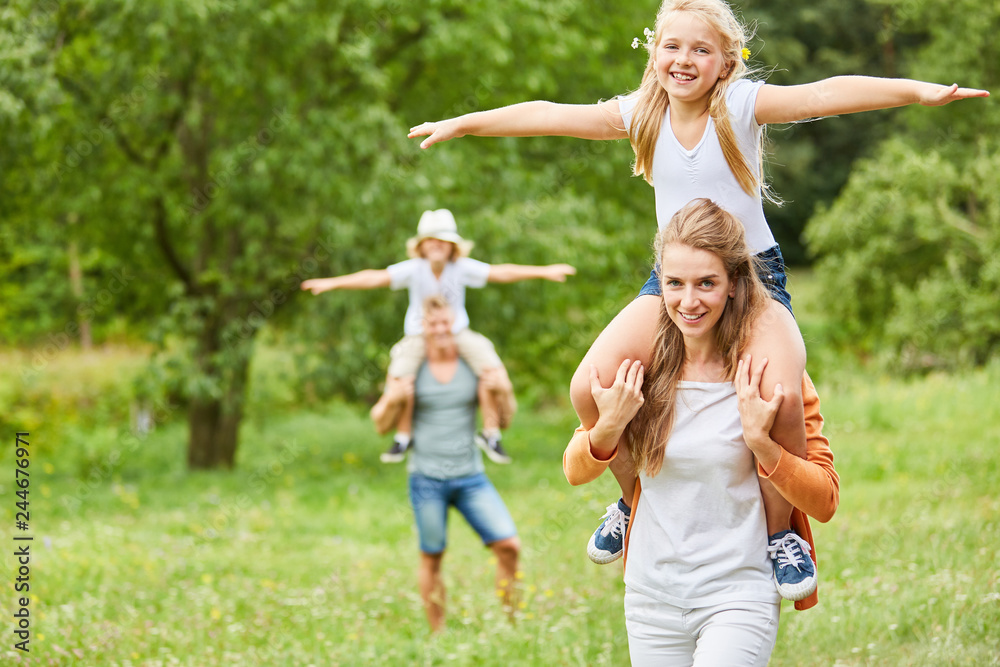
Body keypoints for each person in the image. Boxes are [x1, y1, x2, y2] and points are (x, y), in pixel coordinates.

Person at [408, 0, 988, 595]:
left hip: (754, 277)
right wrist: (464, 123)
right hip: (673, 282)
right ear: (653, 50)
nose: (683, 60)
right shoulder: (640, 115)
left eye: (700, 50)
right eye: (672, 46)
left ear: (726, 61)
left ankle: (781, 534)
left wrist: (917, 92)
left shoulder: (741, 106)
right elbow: (550, 114)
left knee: (780, 398)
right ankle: (631, 501)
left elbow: (826, 92)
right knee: (590, 387)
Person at [564, 199, 838, 663]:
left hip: (739, 594)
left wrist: (763, 446)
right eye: (674, 284)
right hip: (652, 596)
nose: (688, 302)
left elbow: (824, 501)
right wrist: (608, 427)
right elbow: (574, 469)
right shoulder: (644, 369)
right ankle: (626, 509)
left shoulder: (770, 378)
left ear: (734, 284)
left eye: (706, 283)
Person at [303, 208, 575, 464]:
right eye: (431, 241)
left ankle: (491, 433)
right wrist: (332, 283)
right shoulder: (414, 268)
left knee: (490, 368)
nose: (437, 246)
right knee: (401, 375)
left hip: (456, 331)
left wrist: (544, 271)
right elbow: (374, 278)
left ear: (453, 246)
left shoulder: (462, 267)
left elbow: (501, 272)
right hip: (419, 334)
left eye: (443, 241)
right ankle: (403, 436)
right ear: (421, 245)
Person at [370, 295, 521, 633]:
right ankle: (439, 636)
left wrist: (506, 390)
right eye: (432, 323)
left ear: (455, 323)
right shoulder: (410, 366)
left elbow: (506, 419)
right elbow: (380, 423)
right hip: (427, 479)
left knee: (509, 546)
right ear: (421, 326)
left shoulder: (473, 363)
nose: (439, 329)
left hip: (470, 478)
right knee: (432, 557)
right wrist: (393, 399)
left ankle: (514, 626)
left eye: (445, 323)